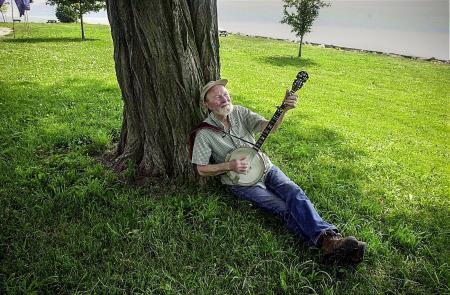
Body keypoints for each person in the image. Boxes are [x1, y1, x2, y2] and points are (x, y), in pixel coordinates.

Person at [191, 79, 366, 263]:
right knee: (282, 208)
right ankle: (330, 243)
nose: (224, 99)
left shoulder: (240, 112)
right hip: (242, 182)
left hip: (265, 168)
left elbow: (270, 127)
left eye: (226, 94)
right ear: (206, 104)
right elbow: (201, 169)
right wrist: (229, 166)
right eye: (217, 97)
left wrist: (283, 110)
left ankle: (331, 241)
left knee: (294, 192)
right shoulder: (204, 133)